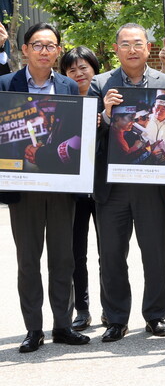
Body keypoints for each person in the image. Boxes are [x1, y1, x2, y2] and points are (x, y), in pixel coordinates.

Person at [0, 23, 89, 352]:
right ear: (24, 49)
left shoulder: (67, 86)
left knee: (63, 258)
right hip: (22, 186)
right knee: (28, 260)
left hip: (61, 183)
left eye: (51, 46)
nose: (44, 51)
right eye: (37, 45)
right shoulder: (5, 85)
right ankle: (33, 329)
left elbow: (74, 129)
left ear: (57, 51)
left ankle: (63, 325)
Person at [88, 22, 165, 342]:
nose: (132, 49)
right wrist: (107, 113)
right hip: (112, 186)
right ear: (116, 50)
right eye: (125, 44)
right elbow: (89, 136)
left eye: (138, 43)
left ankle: (156, 315)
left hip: (152, 184)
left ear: (148, 48)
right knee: (111, 255)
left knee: (156, 253)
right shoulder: (100, 84)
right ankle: (115, 318)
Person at [60, 46, 102, 331]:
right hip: (73, 190)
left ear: (94, 69)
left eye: (83, 67)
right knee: (76, 254)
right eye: (71, 70)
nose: (78, 74)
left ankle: (111, 309)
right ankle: (82, 310)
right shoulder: (61, 101)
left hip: (103, 188)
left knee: (110, 252)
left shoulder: (108, 100)